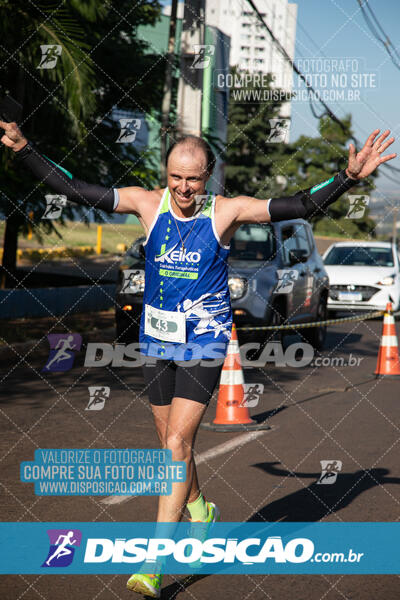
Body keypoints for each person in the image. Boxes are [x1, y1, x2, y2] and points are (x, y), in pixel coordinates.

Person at [0, 120, 396, 597]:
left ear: (207, 176)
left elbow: (297, 205)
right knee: (169, 440)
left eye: (193, 178)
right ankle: (202, 510)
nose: (183, 188)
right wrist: (25, 150)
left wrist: (348, 178)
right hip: (156, 341)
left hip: (204, 342)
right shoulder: (148, 203)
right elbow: (79, 189)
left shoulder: (226, 211)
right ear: (165, 174)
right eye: (175, 177)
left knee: (175, 450)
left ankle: (153, 564)